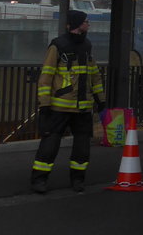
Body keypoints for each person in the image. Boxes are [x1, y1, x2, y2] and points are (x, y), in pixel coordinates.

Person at [30, 10, 105, 194]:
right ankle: (39, 180)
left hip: (82, 107)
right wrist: (45, 104)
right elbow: (46, 76)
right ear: (78, 24)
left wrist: (100, 99)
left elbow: (94, 75)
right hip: (59, 106)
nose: (88, 24)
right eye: (86, 21)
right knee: (49, 146)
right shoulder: (58, 46)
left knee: (82, 148)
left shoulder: (87, 46)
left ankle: (78, 180)